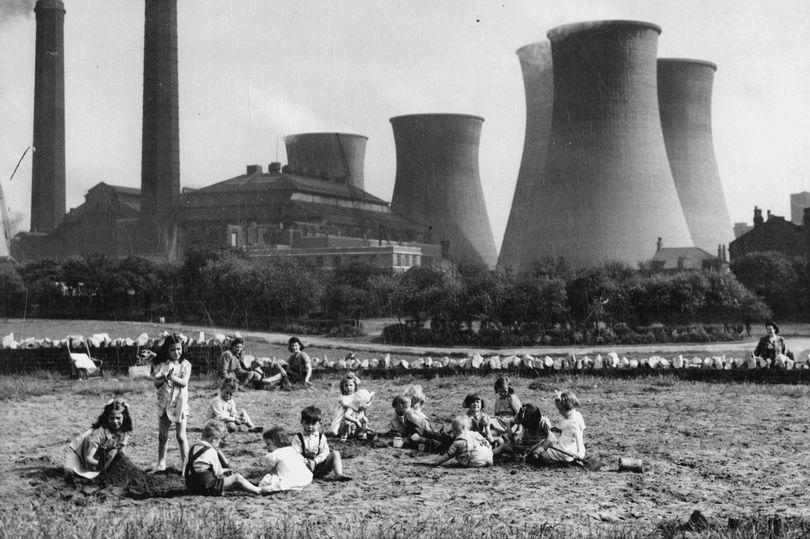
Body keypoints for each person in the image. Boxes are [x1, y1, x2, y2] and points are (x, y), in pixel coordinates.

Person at [185, 421, 260, 495]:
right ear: (214, 439)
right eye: (219, 441)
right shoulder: (211, 451)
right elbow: (217, 471)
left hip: (192, 486)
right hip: (207, 487)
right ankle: (258, 490)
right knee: (237, 478)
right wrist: (225, 470)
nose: (219, 445)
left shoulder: (193, 447)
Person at [64, 398, 132, 480]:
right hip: (84, 451)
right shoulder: (100, 433)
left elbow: (121, 452)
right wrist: (101, 464)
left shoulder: (125, 431)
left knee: (112, 459)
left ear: (124, 417)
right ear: (107, 418)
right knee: (71, 473)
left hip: (102, 452)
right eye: (111, 418)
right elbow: (88, 458)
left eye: (118, 418)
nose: (115, 421)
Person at [150, 333, 191, 472]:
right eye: (172, 350)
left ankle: (186, 464)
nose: (176, 352)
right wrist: (164, 378)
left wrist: (172, 377)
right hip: (165, 402)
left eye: (179, 349)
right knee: (163, 436)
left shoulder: (185, 364)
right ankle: (161, 463)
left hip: (180, 403)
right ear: (167, 350)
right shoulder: (161, 364)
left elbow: (184, 382)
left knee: (181, 436)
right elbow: (156, 382)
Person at [291, 406, 352, 481]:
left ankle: (338, 474)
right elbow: (295, 453)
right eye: (307, 423)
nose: (310, 426)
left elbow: (325, 452)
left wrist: (315, 462)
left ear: (319, 424)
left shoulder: (321, 437)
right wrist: (306, 462)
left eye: (313, 424)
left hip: (320, 468)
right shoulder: (298, 437)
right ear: (302, 423)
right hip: (304, 467)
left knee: (335, 453)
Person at [528, 390, 585, 465]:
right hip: (568, 445)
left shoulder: (573, 423)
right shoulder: (576, 415)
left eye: (561, 410)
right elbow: (570, 433)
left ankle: (561, 462)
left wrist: (580, 453)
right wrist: (559, 430)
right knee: (549, 445)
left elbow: (579, 437)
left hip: (566, 451)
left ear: (567, 408)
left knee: (543, 456)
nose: (559, 412)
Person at [258, 427, 313, 493]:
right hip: (305, 479)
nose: (267, 447)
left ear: (275, 442)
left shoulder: (274, 454)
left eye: (268, 444)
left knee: (267, 478)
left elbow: (268, 470)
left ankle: (263, 488)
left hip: (288, 481)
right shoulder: (292, 450)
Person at [329, 372, 360, 437]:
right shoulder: (342, 396)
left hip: (353, 413)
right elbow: (345, 404)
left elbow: (358, 381)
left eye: (351, 385)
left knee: (357, 421)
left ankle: (353, 432)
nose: (348, 387)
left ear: (355, 386)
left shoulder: (355, 395)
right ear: (343, 387)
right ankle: (341, 430)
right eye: (346, 386)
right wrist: (353, 405)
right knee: (334, 432)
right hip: (342, 414)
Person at [490, 377, 522, 441]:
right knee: (488, 421)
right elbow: (496, 413)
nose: (502, 394)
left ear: (509, 389)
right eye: (500, 392)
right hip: (500, 420)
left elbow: (519, 413)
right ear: (497, 389)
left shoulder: (511, 398)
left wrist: (519, 429)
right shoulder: (498, 400)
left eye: (505, 391)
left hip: (510, 421)